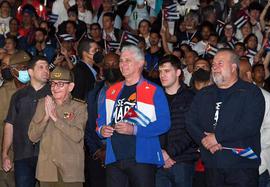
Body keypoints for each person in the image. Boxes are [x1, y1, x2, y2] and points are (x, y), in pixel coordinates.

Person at [186, 48, 265, 186]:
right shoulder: (204, 93)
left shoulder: (251, 93)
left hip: (242, 167)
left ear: (233, 67)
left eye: (220, 63)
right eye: (214, 64)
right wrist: (205, 140)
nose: (214, 67)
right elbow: (190, 122)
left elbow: (249, 125)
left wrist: (217, 137)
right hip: (212, 165)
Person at [96, 45, 171, 187]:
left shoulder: (154, 90)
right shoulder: (111, 91)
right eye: (121, 61)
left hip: (142, 159)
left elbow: (164, 123)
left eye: (127, 60)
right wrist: (101, 130)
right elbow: (100, 121)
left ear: (140, 63)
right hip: (114, 158)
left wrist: (135, 130)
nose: (122, 64)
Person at [28, 66, 87, 187]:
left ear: (70, 87)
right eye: (53, 84)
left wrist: (55, 118)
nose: (55, 88)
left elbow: (77, 135)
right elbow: (32, 137)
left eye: (60, 84)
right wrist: (45, 118)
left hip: (70, 172)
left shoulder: (79, 107)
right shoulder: (43, 104)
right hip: (47, 171)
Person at [2, 56, 51, 187]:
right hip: (23, 155)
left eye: (47, 67)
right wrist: (5, 153)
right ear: (30, 72)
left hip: (48, 156)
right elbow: (9, 124)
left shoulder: (54, 93)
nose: (46, 70)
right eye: (41, 67)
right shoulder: (18, 96)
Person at [156, 54, 198, 187]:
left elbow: (191, 131)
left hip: (183, 162)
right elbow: (150, 128)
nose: (162, 75)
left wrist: (169, 153)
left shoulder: (191, 98)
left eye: (167, 71)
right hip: (158, 160)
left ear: (178, 72)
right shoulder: (155, 98)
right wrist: (160, 152)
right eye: (160, 71)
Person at [239, 58, 270, 187]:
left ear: (247, 74)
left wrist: (245, 148)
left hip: (259, 165)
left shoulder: (266, 98)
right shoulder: (226, 98)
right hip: (232, 166)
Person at [84, 52, 123, 187]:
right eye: (106, 65)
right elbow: (87, 127)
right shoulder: (93, 94)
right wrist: (98, 151)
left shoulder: (133, 92)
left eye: (115, 64)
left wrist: (113, 151)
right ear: (102, 67)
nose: (110, 68)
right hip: (98, 156)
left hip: (125, 157)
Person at [0, 51, 31, 187]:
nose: (26, 71)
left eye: (28, 67)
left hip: (32, 158)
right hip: (7, 159)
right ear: (13, 71)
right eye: (22, 68)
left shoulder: (40, 91)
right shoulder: (3, 93)